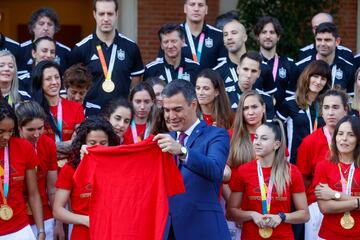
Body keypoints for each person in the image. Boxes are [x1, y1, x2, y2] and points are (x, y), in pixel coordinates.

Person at [153, 79, 231, 239]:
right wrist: (92, 152)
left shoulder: (216, 135)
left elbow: (215, 169)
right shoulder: (163, 139)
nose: (171, 116)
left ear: (193, 105)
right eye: (166, 110)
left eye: (177, 109)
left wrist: (182, 151)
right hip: (169, 231)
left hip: (204, 230)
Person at [227, 120, 310, 239]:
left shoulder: (291, 171)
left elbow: (305, 214)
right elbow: (231, 213)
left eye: (264, 139)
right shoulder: (243, 171)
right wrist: (252, 214)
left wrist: (282, 217)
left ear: (276, 144)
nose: (257, 142)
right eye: (256, 137)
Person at [70, 0, 144, 116]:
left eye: (109, 14)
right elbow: (72, 86)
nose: (105, 18)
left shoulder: (131, 47)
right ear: (94, 14)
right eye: (101, 14)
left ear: (116, 14)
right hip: (90, 115)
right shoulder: (80, 49)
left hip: (121, 117)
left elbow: (135, 84)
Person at [53, 116, 119, 240]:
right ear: (83, 143)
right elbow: (57, 210)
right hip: (83, 232)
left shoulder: (117, 167)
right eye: (92, 143)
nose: (98, 147)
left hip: (112, 231)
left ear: (110, 142)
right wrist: (87, 220)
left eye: (103, 143)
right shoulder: (70, 169)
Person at [297, 87, 349, 240]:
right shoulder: (309, 142)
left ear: (346, 110)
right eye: (326, 107)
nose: (330, 113)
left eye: (335, 107)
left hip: (351, 203)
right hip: (318, 207)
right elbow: (303, 180)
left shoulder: (356, 140)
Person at [16, 101, 64, 240]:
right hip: (17, 217)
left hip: (44, 215)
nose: (37, 134)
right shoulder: (10, 146)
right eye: (31, 130)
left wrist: (59, 224)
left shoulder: (48, 144)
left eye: (40, 128)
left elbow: (52, 189)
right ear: (18, 127)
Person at [0, 99, 45, 240]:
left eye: (11, 131)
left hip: (19, 228)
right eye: (1, 131)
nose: (7, 137)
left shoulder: (23, 148)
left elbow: (33, 193)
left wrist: (41, 230)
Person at [314, 116, 360, 239]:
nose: (344, 139)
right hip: (329, 235)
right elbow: (325, 207)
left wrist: (335, 195)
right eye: (340, 133)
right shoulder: (323, 166)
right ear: (335, 137)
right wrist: (358, 202)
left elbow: (331, 201)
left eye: (351, 134)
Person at [277, 60, 331, 164]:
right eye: (315, 76)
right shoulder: (290, 103)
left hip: (318, 163)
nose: (318, 82)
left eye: (323, 79)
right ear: (307, 76)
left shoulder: (326, 107)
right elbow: (276, 131)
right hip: (294, 163)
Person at [31, 60, 85, 164]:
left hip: (70, 168)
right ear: (39, 82)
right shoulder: (33, 109)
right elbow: (35, 144)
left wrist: (50, 148)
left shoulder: (76, 107)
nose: (55, 82)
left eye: (57, 77)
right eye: (48, 79)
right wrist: (67, 146)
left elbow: (79, 142)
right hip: (42, 167)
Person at [213, 18, 277, 100]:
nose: (229, 37)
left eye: (234, 33)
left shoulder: (263, 67)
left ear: (245, 37)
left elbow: (271, 101)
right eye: (225, 34)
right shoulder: (217, 72)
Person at [295, 22, 354, 95]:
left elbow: (351, 100)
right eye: (319, 40)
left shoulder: (348, 68)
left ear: (337, 41)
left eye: (327, 40)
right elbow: (293, 98)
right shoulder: (300, 66)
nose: (322, 44)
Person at [253, 16, 297, 102]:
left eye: (272, 32)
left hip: (281, 114)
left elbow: (292, 97)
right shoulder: (250, 63)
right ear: (258, 36)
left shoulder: (289, 64)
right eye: (264, 32)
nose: (268, 36)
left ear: (278, 37)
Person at [19, 7, 70, 74]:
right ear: (33, 27)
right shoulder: (20, 50)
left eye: (50, 24)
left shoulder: (66, 51)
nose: (46, 28)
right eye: (41, 24)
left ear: (55, 28)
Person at [179, 0, 227, 70]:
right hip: (181, 80)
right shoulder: (174, 34)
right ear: (185, 8)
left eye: (200, 5)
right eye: (192, 4)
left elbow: (223, 67)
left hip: (210, 80)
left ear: (206, 9)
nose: (196, 9)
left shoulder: (218, 35)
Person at [226, 51, 274, 119]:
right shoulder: (223, 95)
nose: (249, 75)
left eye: (253, 71)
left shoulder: (266, 99)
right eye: (245, 69)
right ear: (238, 69)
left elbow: (269, 128)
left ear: (259, 74)